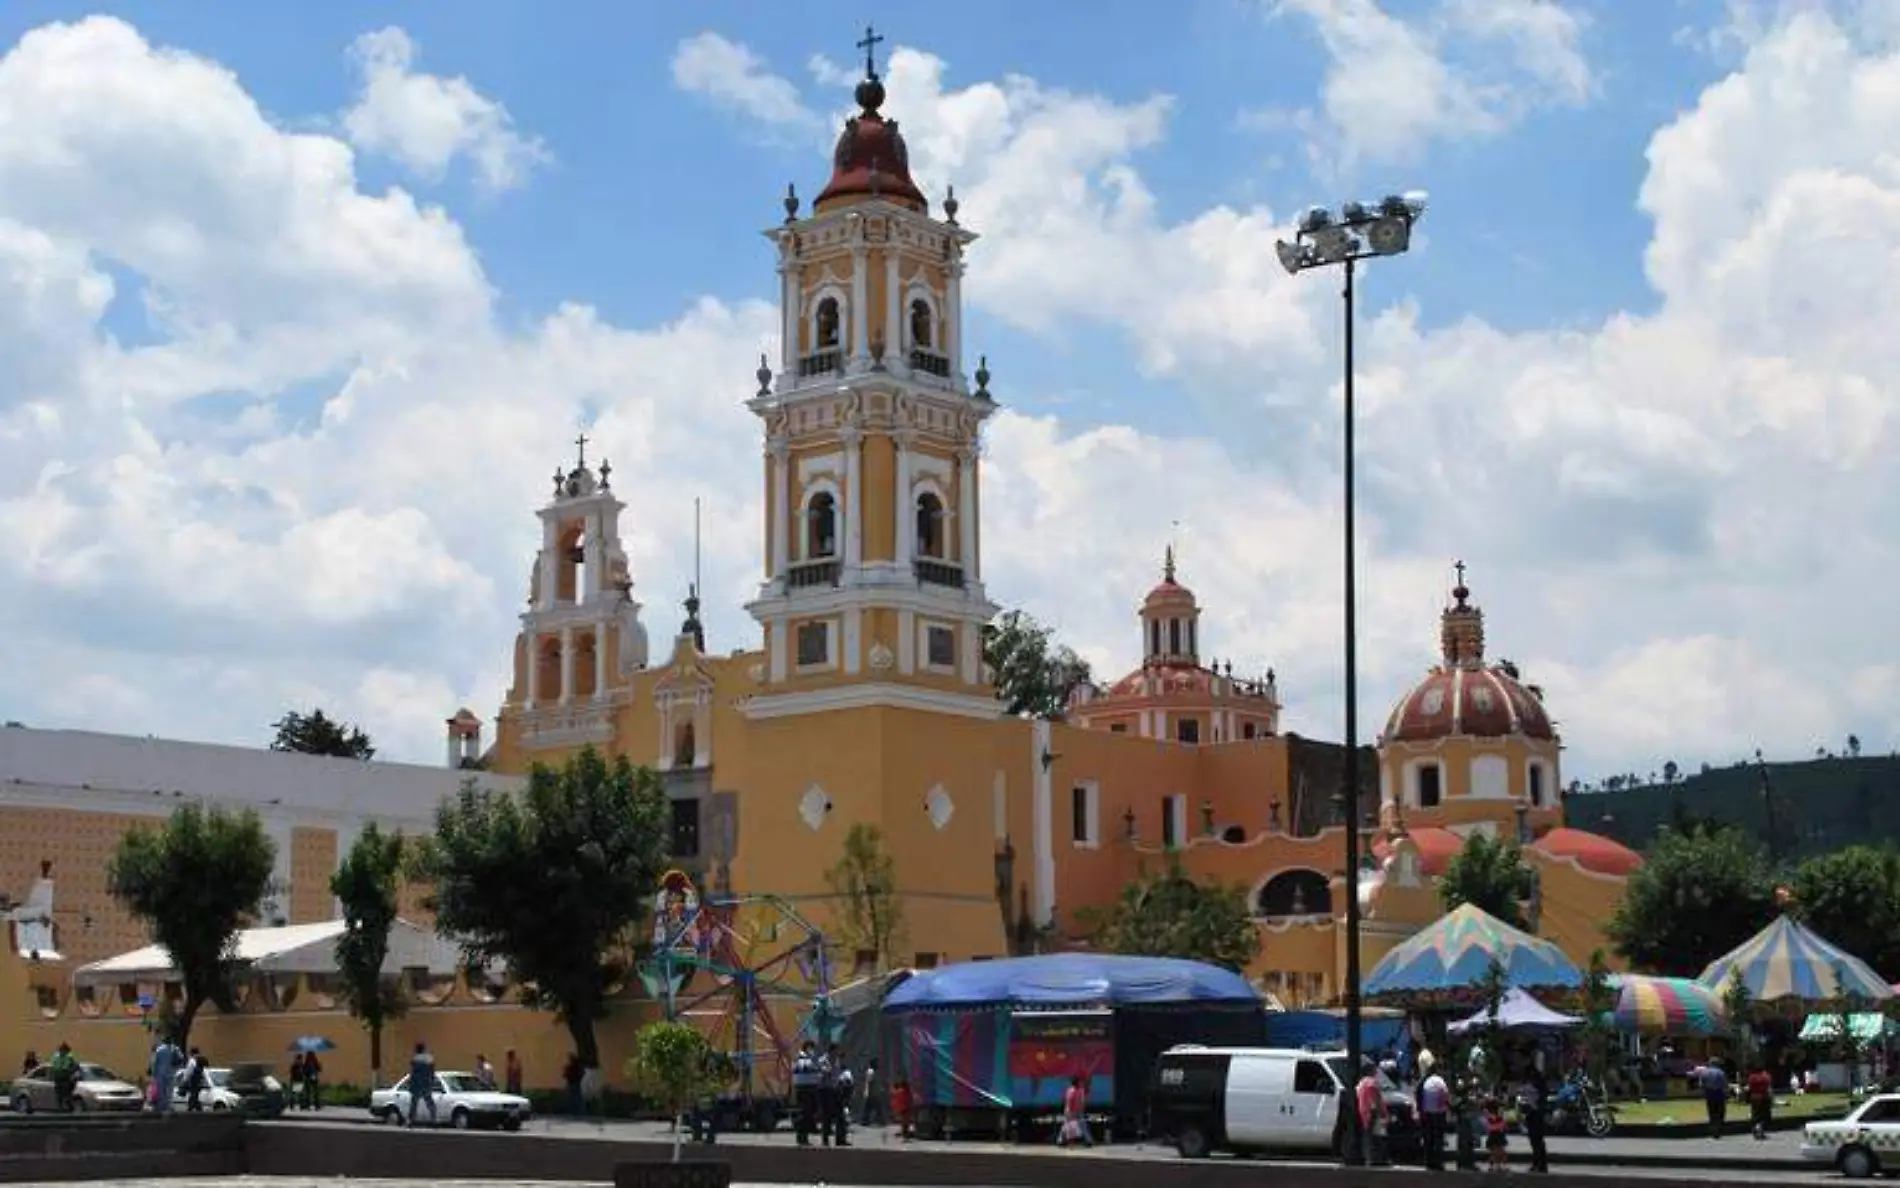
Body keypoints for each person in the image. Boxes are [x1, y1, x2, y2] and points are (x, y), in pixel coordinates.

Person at [1355, 1059, 1389, 1167]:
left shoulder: (1360, 1084)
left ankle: (1369, 1158)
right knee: (1378, 1137)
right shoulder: (1372, 1083)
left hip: (1364, 1113)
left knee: (1368, 1137)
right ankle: (1379, 1159)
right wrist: (1383, 1113)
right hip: (1373, 1113)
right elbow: (1376, 1100)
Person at [1418, 1060, 1450, 1170]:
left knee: (1428, 1138)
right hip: (1438, 1113)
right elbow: (1444, 1094)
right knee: (1438, 1138)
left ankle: (1428, 1161)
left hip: (1427, 1112)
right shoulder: (1439, 1081)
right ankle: (1438, 1162)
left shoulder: (1425, 1080)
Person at [1522, 1062, 1550, 1173]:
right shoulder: (1530, 1082)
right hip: (1531, 1112)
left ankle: (1540, 1164)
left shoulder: (1537, 1083)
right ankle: (1537, 1163)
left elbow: (1541, 1096)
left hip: (1536, 1113)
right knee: (1534, 1140)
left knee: (1537, 1140)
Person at [790, 1041, 820, 1146]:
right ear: (807, 1047)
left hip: (811, 1087)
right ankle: (802, 1137)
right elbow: (804, 1068)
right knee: (804, 1113)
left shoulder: (811, 1058)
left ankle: (804, 1136)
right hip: (804, 1088)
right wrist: (816, 1066)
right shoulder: (801, 1058)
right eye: (811, 1048)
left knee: (809, 1113)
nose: (812, 1050)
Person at [406, 1042, 438, 1127]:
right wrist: (432, 1081)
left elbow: (413, 1073)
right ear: (424, 1049)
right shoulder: (429, 1058)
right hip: (426, 1083)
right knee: (429, 1102)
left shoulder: (415, 1059)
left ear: (417, 1049)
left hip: (417, 1083)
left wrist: (410, 1083)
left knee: (414, 1103)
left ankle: (411, 1120)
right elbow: (432, 1072)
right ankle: (433, 1119)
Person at [829, 1046, 853, 1147]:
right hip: (840, 1095)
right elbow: (844, 1083)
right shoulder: (840, 1071)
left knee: (843, 1119)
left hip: (842, 1095)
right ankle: (840, 1139)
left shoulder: (843, 1070)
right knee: (841, 1119)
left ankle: (841, 1139)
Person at [1058, 1074, 1091, 1148]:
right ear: (1075, 1082)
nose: (1080, 1083)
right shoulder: (1071, 1090)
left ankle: (1088, 1141)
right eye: (1078, 1082)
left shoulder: (1080, 1090)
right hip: (1070, 1111)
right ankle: (1060, 1141)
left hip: (1078, 1111)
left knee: (1082, 1125)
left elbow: (1082, 1101)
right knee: (1066, 1125)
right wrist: (1071, 1112)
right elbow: (1069, 1101)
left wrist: (1080, 1109)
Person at [1700, 1060, 1729, 1140]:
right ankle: (1718, 1129)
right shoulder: (1721, 1072)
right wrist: (1727, 1094)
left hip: (1709, 1093)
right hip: (1719, 1093)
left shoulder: (1704, 1072)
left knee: (1711, 1112)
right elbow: (1724, 1084)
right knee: (1720, 1112)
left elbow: (1702, 1085)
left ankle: (1713, 1129)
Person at [151, 1038, 181, 1115]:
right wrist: (176, 1069)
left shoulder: (160, 1049)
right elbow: (181, 1059)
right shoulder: (175, 1049)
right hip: (171, 1072)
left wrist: (154, 1073)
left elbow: (154, 1062)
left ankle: (162, 1106)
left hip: (160, 1073)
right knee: (169, 1090)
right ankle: (168, 1105)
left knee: (161, 1090)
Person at [49, 1042, 79, 1113]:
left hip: (66, 1078)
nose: (62, 1051)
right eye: (61, 1050)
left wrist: (70, 1071)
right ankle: (61, 1110)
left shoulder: (70, 1057)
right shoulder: (56, 1057)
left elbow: (76, 1067)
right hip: (58, 1078)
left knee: (66, 1096)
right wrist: (52, 1074)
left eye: (63, 1050)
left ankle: (70, 1109)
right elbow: (52, 1067)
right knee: (59, 1095)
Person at [1747, 1063, 1774, 1140]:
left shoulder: (1751, 1077)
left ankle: (1755, 1127)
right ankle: (1760, 1129)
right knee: (1764, 1115)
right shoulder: (1766, 1076)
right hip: (1764, 1097)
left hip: (1754, 1097)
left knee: (1755, 1114)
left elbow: (1749, 1087)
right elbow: (1769, 1087)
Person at [1484, 1096, 1509, 1172]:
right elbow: (1490, 1126)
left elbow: (1503, 1125)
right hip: (1495, 1135)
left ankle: (1498, 1165)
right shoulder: (1490, 1117)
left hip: (1497, 1135)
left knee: (1499, 1152)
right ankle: (1496, 1165)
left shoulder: (1497, 1116)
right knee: (1496, 1152)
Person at [858, 1057, 884, 1128]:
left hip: (874, 1093)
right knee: (875, 1107)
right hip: (872, 1093)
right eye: (876, 1063)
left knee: (870, 1107)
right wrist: (869, 1092)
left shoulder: (873, 1071)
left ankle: (866, 1120)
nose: (878, 1064)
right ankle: (879, 1120)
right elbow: (869, 1083)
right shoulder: (871, 1071)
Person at [183, 1047, 208, 1112]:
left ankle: (190, 1109)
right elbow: (204, 1071)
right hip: (199, 1080)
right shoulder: (200, 1059)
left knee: (193, 1095)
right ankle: (197, 1108)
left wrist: (185, 1079)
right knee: (195, 1095)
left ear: (191, 1052)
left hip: (193, 1080)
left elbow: (189, 1071)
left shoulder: (192, 1060)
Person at [562, 1052, 585, 1119]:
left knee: (574, 1099)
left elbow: (565, 1075)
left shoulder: (572, 1067)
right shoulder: (576, 1067)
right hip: (575, 1084)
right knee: (576, 1099)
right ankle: (577, 1113)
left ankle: (575, 1112)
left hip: (573, 1084)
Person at [891, 1078, 914, 1142]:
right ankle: (905, 1137)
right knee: (905, 1123)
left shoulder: (899, 1091)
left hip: (902, 1108)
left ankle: (905, 1136)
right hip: (905, 1108)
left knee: (904, 1123)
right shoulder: (904, 1092)